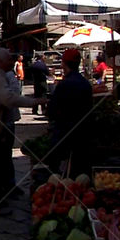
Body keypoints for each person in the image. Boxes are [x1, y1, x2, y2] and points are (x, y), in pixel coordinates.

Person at [0, 48, 44, 210]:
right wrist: (36, 101)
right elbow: (9, 99)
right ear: (0, 62)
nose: (11, 63)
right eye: (8, 60)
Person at [46, 49, 94, 177]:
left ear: (64, 64)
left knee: (61, 176)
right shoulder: (85, 84)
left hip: (64, 134)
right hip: (83, 134)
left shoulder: (64, 85)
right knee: (80, 175)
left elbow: (52, 111)